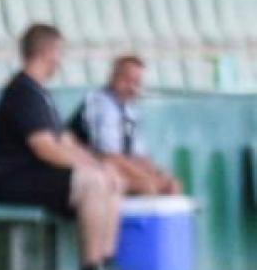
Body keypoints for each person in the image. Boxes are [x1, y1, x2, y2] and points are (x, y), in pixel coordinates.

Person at [0, 25, 137, 270]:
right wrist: (92, 169)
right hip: (9, 179)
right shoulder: (22, 92)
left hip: (36, 177)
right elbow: (45, 148)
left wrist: (101, 166)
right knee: (92, 182)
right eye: (59, 52)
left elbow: (65, 141)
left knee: (109, 178)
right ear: (48, 52)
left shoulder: (41, 93)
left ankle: (106, 264)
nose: (60, 60)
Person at [70, 56, 182, 196]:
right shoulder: (100, 103)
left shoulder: (129, 109)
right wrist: (149, 179)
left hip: (110, 169)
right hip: (86, 174)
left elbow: (139, 156)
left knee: (170, 185)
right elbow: (109, 156)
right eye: (127, 79)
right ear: (112, 77)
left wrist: (160, 175)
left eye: (136, 82)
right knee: (147, 187)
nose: (132, 87)